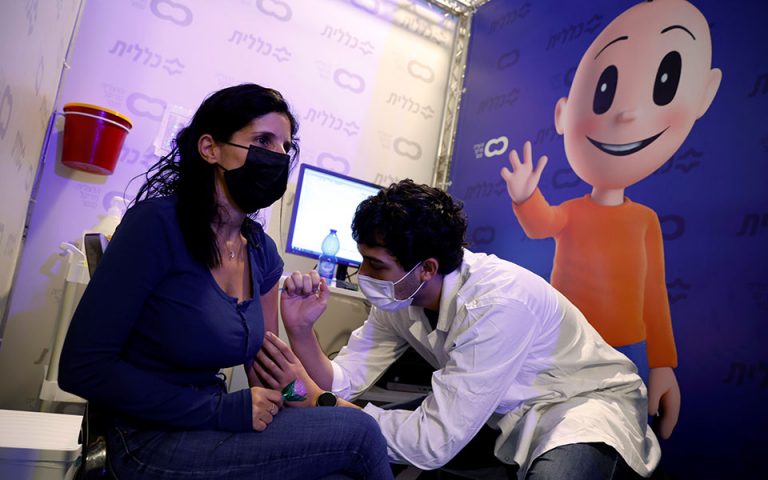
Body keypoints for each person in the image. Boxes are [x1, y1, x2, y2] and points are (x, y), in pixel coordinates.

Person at [58, 84, 393, 480]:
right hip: (146, 438)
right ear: (209, 148)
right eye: (263, 140)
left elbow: (277, 382)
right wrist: (220, 411)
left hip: (208, 426)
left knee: (346, 460)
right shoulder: (156, 225)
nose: (278, 156)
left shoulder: (260, 251)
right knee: (359, 437)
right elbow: (83, 368)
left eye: (286, 147)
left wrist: (320, 392)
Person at [261, 180, 660, 479]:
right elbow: (343, 382)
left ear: (426, 268)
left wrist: (320, 404)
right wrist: (301, 331)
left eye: (376, 265)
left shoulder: (497, 303)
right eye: (363, 259)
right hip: (504, 412)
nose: (363, 274)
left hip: (580, 406)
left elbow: (430, 442)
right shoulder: (400, 295)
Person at [500, 0, 721, 440]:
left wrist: (663, 364)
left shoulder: (645, 220)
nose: (626, 114)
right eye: (605, 92)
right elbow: (542, 223)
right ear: (563, 114)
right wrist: (526, 196)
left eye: (663, 84)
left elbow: (654, 294)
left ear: (704, 95)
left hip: (627, 349)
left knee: (620, 434)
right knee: (556, 429)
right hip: (565, 341)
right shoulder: (573, 211)